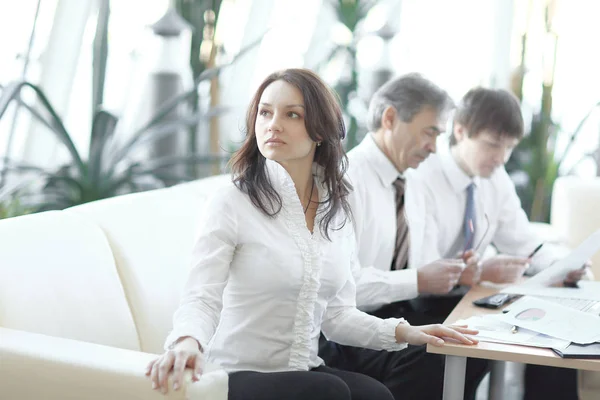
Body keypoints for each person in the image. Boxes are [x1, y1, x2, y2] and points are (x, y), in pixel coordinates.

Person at [144, 68, 477, 400]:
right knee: (328, 391)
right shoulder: (232, 200)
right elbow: (202, 296)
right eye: (265, 112)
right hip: (235, 372)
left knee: (375, 395)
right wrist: (187, 341)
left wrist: (409, 332)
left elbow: (337, 316)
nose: (273, 124)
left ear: (320, 129)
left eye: (292, 115)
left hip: (303, 369)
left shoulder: (338, 206)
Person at [406, 87, 590, 400]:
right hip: (425, 303)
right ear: (460, 131)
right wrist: (477, 271)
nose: (501, 157)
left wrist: (564, 266)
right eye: (493, 144)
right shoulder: (423, 175)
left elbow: (524, 241)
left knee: (556, 339)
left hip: (472, 299)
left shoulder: (495, 177)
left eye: (509, 147)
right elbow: (422, 267)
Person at [319, 73, 488, 400]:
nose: (433, 148)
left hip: (393, 310)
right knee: (437, 353)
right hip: (343, 327)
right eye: (429, 132)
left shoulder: (407, 181)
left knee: (473, 337)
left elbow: (418, 265)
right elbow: (342, 291)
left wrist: (453, 273)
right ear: (390, 118)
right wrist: (419, 280)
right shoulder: (345, 179)